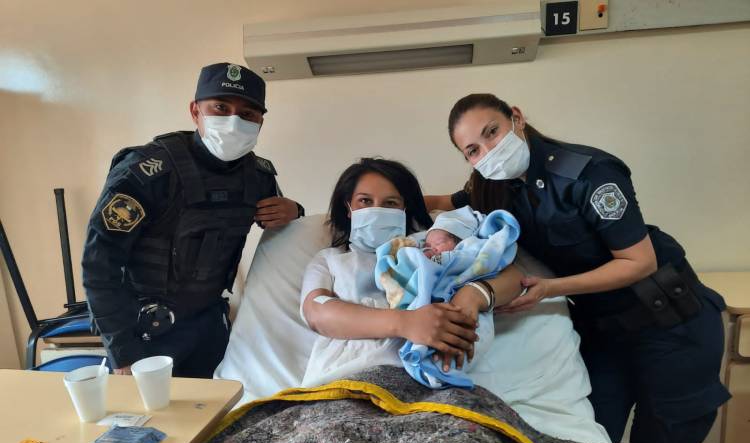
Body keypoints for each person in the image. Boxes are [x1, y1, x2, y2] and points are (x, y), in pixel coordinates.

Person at [425, 93, 730, 443]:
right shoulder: (496, 186)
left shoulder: (589, 173)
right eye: (473, 150)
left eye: (492, 132)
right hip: (604, 333)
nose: (488, 151)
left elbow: (639, 262)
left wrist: (550, 289)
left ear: (516, 118)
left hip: (669, 324)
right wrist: (386, 208)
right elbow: (448, 203)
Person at [82, 62, 304, 378]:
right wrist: (122, 353)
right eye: (221, 108)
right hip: (143, 331)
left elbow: (281, 223)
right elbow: (99, 264)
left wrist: (295, 210)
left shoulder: (257, 175)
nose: (234, 122)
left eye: (247, 114)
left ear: (260, 122)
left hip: (209, 326)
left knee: (217, 407)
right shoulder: (148, 171)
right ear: (195, 111)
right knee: (149, 411)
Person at [299, 158, 524, 387]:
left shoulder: (431, 246)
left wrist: (473, 295)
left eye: (390, 203)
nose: (377, 210)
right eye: (365, 201)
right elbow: (316, 311)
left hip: (434, 378)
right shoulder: (331, 260)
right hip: (346, 376)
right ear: (348, 208)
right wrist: (405, 323)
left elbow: (514, 277)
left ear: (404, 209)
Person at [374, 205, 520, 388]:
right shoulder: (421, 252)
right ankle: (426, 358)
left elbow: (497, 268)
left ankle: (442, 368)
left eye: (438, 243)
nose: (431, 249)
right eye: (427, 245)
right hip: (427, 309)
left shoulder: (470, 251)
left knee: (467, 332)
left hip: (466, 300)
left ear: (461, 241)